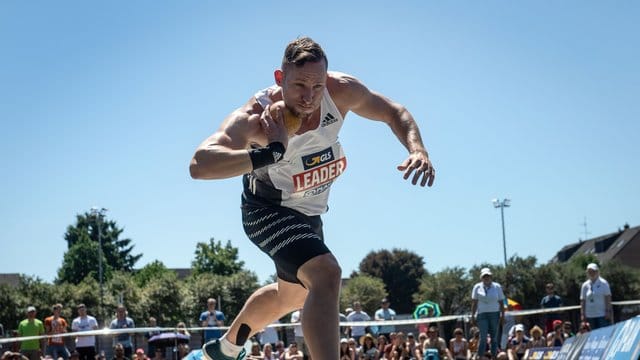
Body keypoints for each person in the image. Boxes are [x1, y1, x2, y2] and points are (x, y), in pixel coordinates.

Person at [190, 36, 435, 360]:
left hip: (309, 216)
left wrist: (417, 148)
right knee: (326, 273)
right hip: (266, 210)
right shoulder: (256, 118)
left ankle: (225, 349)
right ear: (280, 79)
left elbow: (394, 111)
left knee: (289, 298)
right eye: (299, 86)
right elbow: (200, 164)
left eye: (317, 86)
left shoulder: (341, 91)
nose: (309, 97)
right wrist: (269, 153)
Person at [470, 268, 504, 358]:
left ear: (491, 276)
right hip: (482, 315)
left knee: (494, 338)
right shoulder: (477, 287)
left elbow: (501, 302)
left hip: (495, 314)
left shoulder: (497, 286)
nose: (486, 278)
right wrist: (472, 316)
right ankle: (480, 357)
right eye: (484, 276)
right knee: (483, 337)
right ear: (481, 277)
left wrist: (502, 316)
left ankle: (494, 357)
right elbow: (474, 302)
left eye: (488, 276)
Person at [580, 263, 613, 330]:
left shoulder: (604, 283)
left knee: (603, 334)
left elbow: (608, 298)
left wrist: (608, 311)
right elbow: (583, 300)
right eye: (589, 272)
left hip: (602, 315)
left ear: (597, 272)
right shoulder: (585, 285)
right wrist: (583, 314)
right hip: (590, 315)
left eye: (593, 271)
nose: (591, 273)